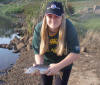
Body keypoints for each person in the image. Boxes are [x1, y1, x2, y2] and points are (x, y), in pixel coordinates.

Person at [32, 1, 80, 85]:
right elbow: (37, 52)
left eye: (56, 16)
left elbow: (75, 53)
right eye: (50, 16)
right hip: (45, 64)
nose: (53, 20)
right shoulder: (38, 28)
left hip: (64, 64)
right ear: (45, 16)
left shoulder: (70, 28)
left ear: (62, 16)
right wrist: (39, 66)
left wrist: (58, 66)